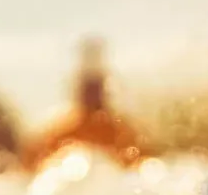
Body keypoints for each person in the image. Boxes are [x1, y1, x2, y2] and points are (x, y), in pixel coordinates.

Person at [22, 38, 146, 170]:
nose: (93, 96)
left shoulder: (123, 135)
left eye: (94, 89)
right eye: (91, 89)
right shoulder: (124, 135)